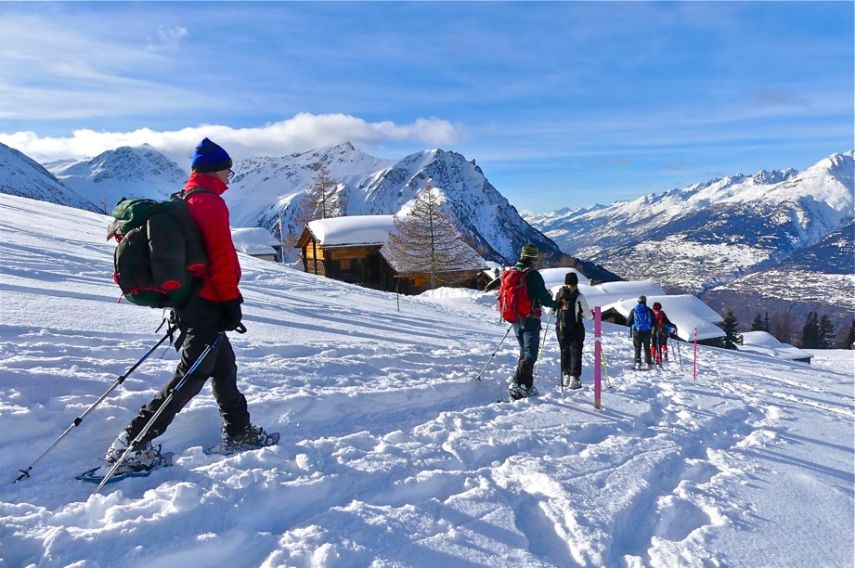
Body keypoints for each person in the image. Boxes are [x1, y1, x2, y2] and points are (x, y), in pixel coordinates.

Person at [103, 138, 267, 466]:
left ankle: (239, 430)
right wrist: (230, 301)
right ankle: (133, 442)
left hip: (193, 302)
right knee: (191, 375)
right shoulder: (210, 203)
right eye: (228, 170)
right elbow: (220, 257)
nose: (230, 176)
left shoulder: (187, 198)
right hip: (206, 304)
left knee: (224, 367)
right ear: (215, 170)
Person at [507, 244, 558, 399]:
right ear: (534, 257)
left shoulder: (512, 272)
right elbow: (544, 298)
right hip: (530, 318)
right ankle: (519, 385)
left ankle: (526, 385)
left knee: (524, 351)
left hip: (515, 318)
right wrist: (557, 304)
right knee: (531, 353)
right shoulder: (533, 275)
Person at [554, 272, 592, 389]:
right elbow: (588, 316)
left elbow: (550, 311)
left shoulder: (559, 295)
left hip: (561, 328)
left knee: (564, 350)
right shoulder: (579, 297)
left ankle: (566, 375)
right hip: (576, 328)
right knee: (576, 352)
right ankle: (574, 378)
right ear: (576, 283)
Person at [626, 295, 655, 369]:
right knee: (647, 347)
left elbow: (628, 323)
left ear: (638, 301)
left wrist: (634, 325)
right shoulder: (649, 310)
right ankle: (648, 363)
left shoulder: (634, 310)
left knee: (637, 347)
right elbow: (654, 322)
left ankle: (638, 363)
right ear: (645, 301)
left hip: (637, 331)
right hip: (647, 331)